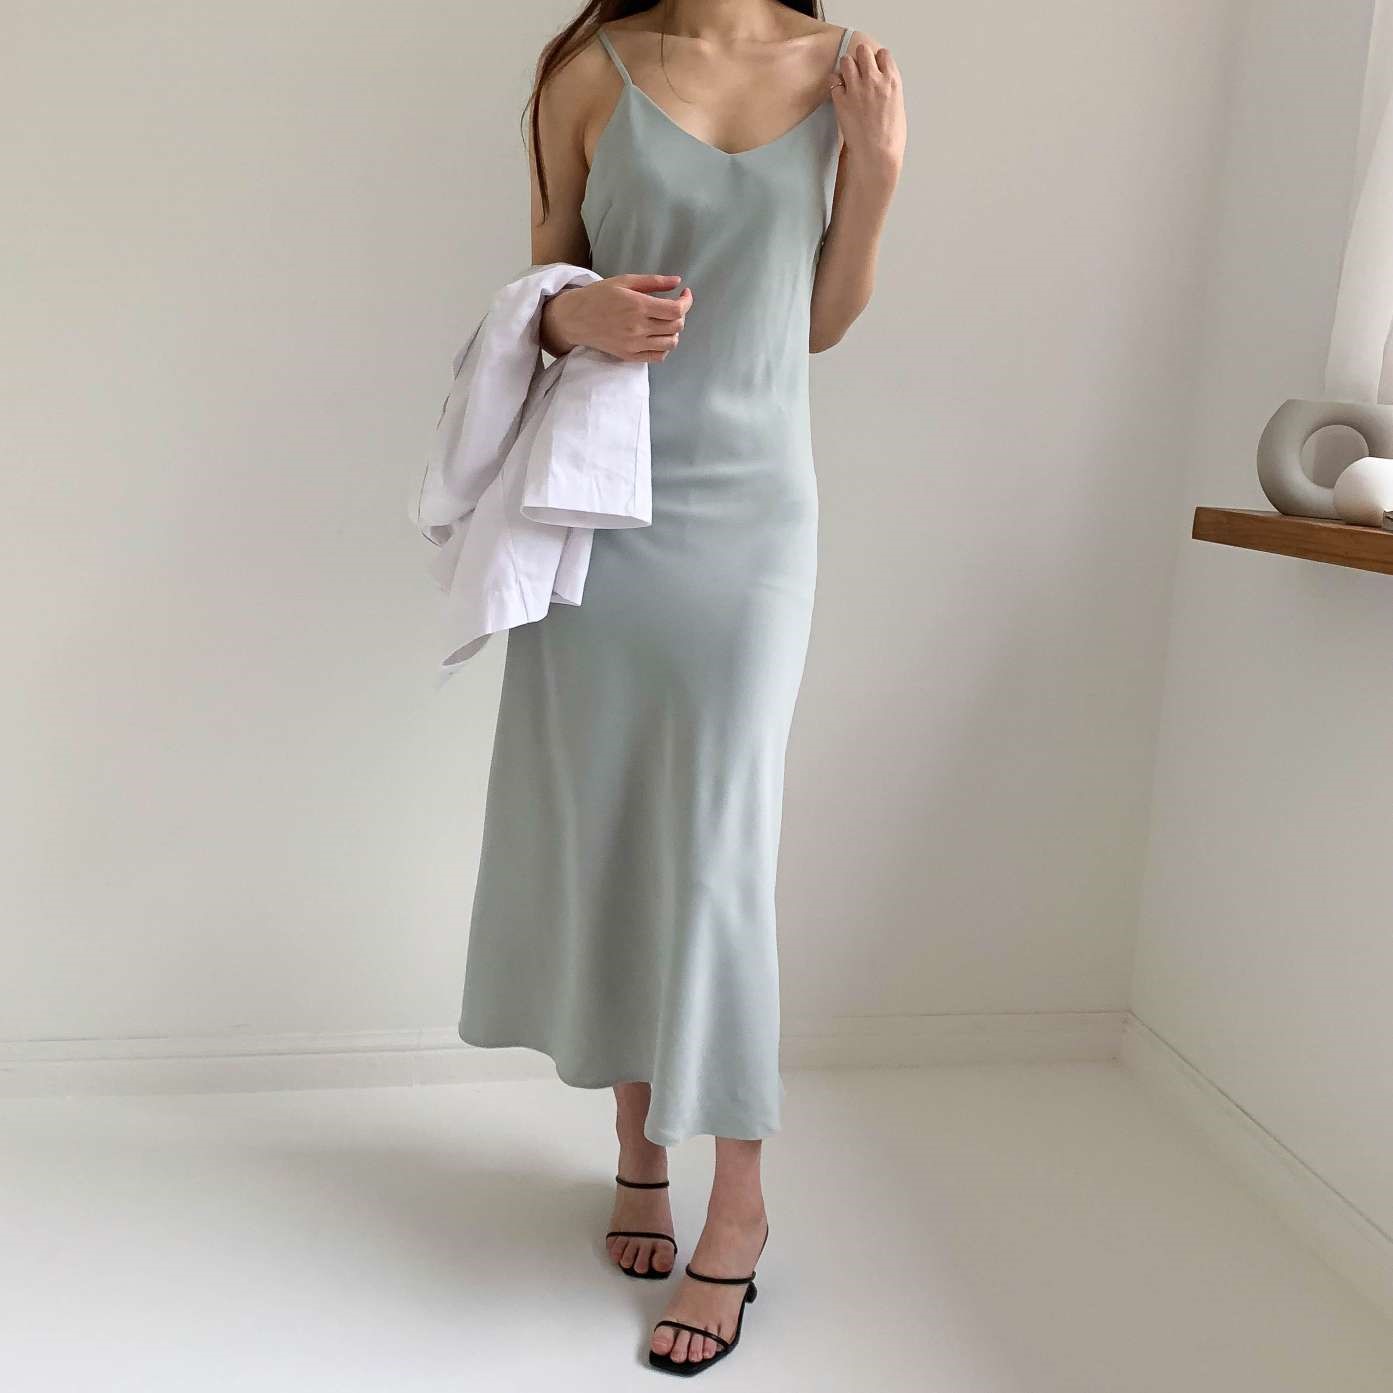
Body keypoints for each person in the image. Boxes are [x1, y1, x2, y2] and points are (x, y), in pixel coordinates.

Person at [458, 0, 904, 1372]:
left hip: (752, 516)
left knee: (717, 850)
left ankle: (741, 1205)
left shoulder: (844, 73)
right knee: (615, 830)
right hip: (603, 510)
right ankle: (638, 1150)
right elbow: (543, 294)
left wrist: (876, 173)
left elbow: (817, 321)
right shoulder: (584, 71)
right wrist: (574, 308)